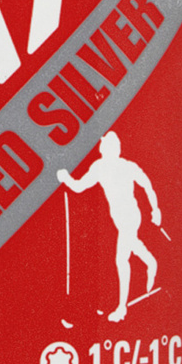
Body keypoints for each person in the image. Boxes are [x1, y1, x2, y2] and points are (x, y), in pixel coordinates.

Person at [57, 131, 161, 322]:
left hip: (130, 217)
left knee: (121, 259)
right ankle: (151, 261)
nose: (102, 149)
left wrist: (156, 209)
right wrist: (66, 179)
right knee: (132, 245)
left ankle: (121, 308)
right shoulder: (100, 167)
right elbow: (80, 186)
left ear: (111, 148)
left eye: (105, 146)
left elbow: (147, 185)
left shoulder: (124, 166)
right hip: (122, 218)